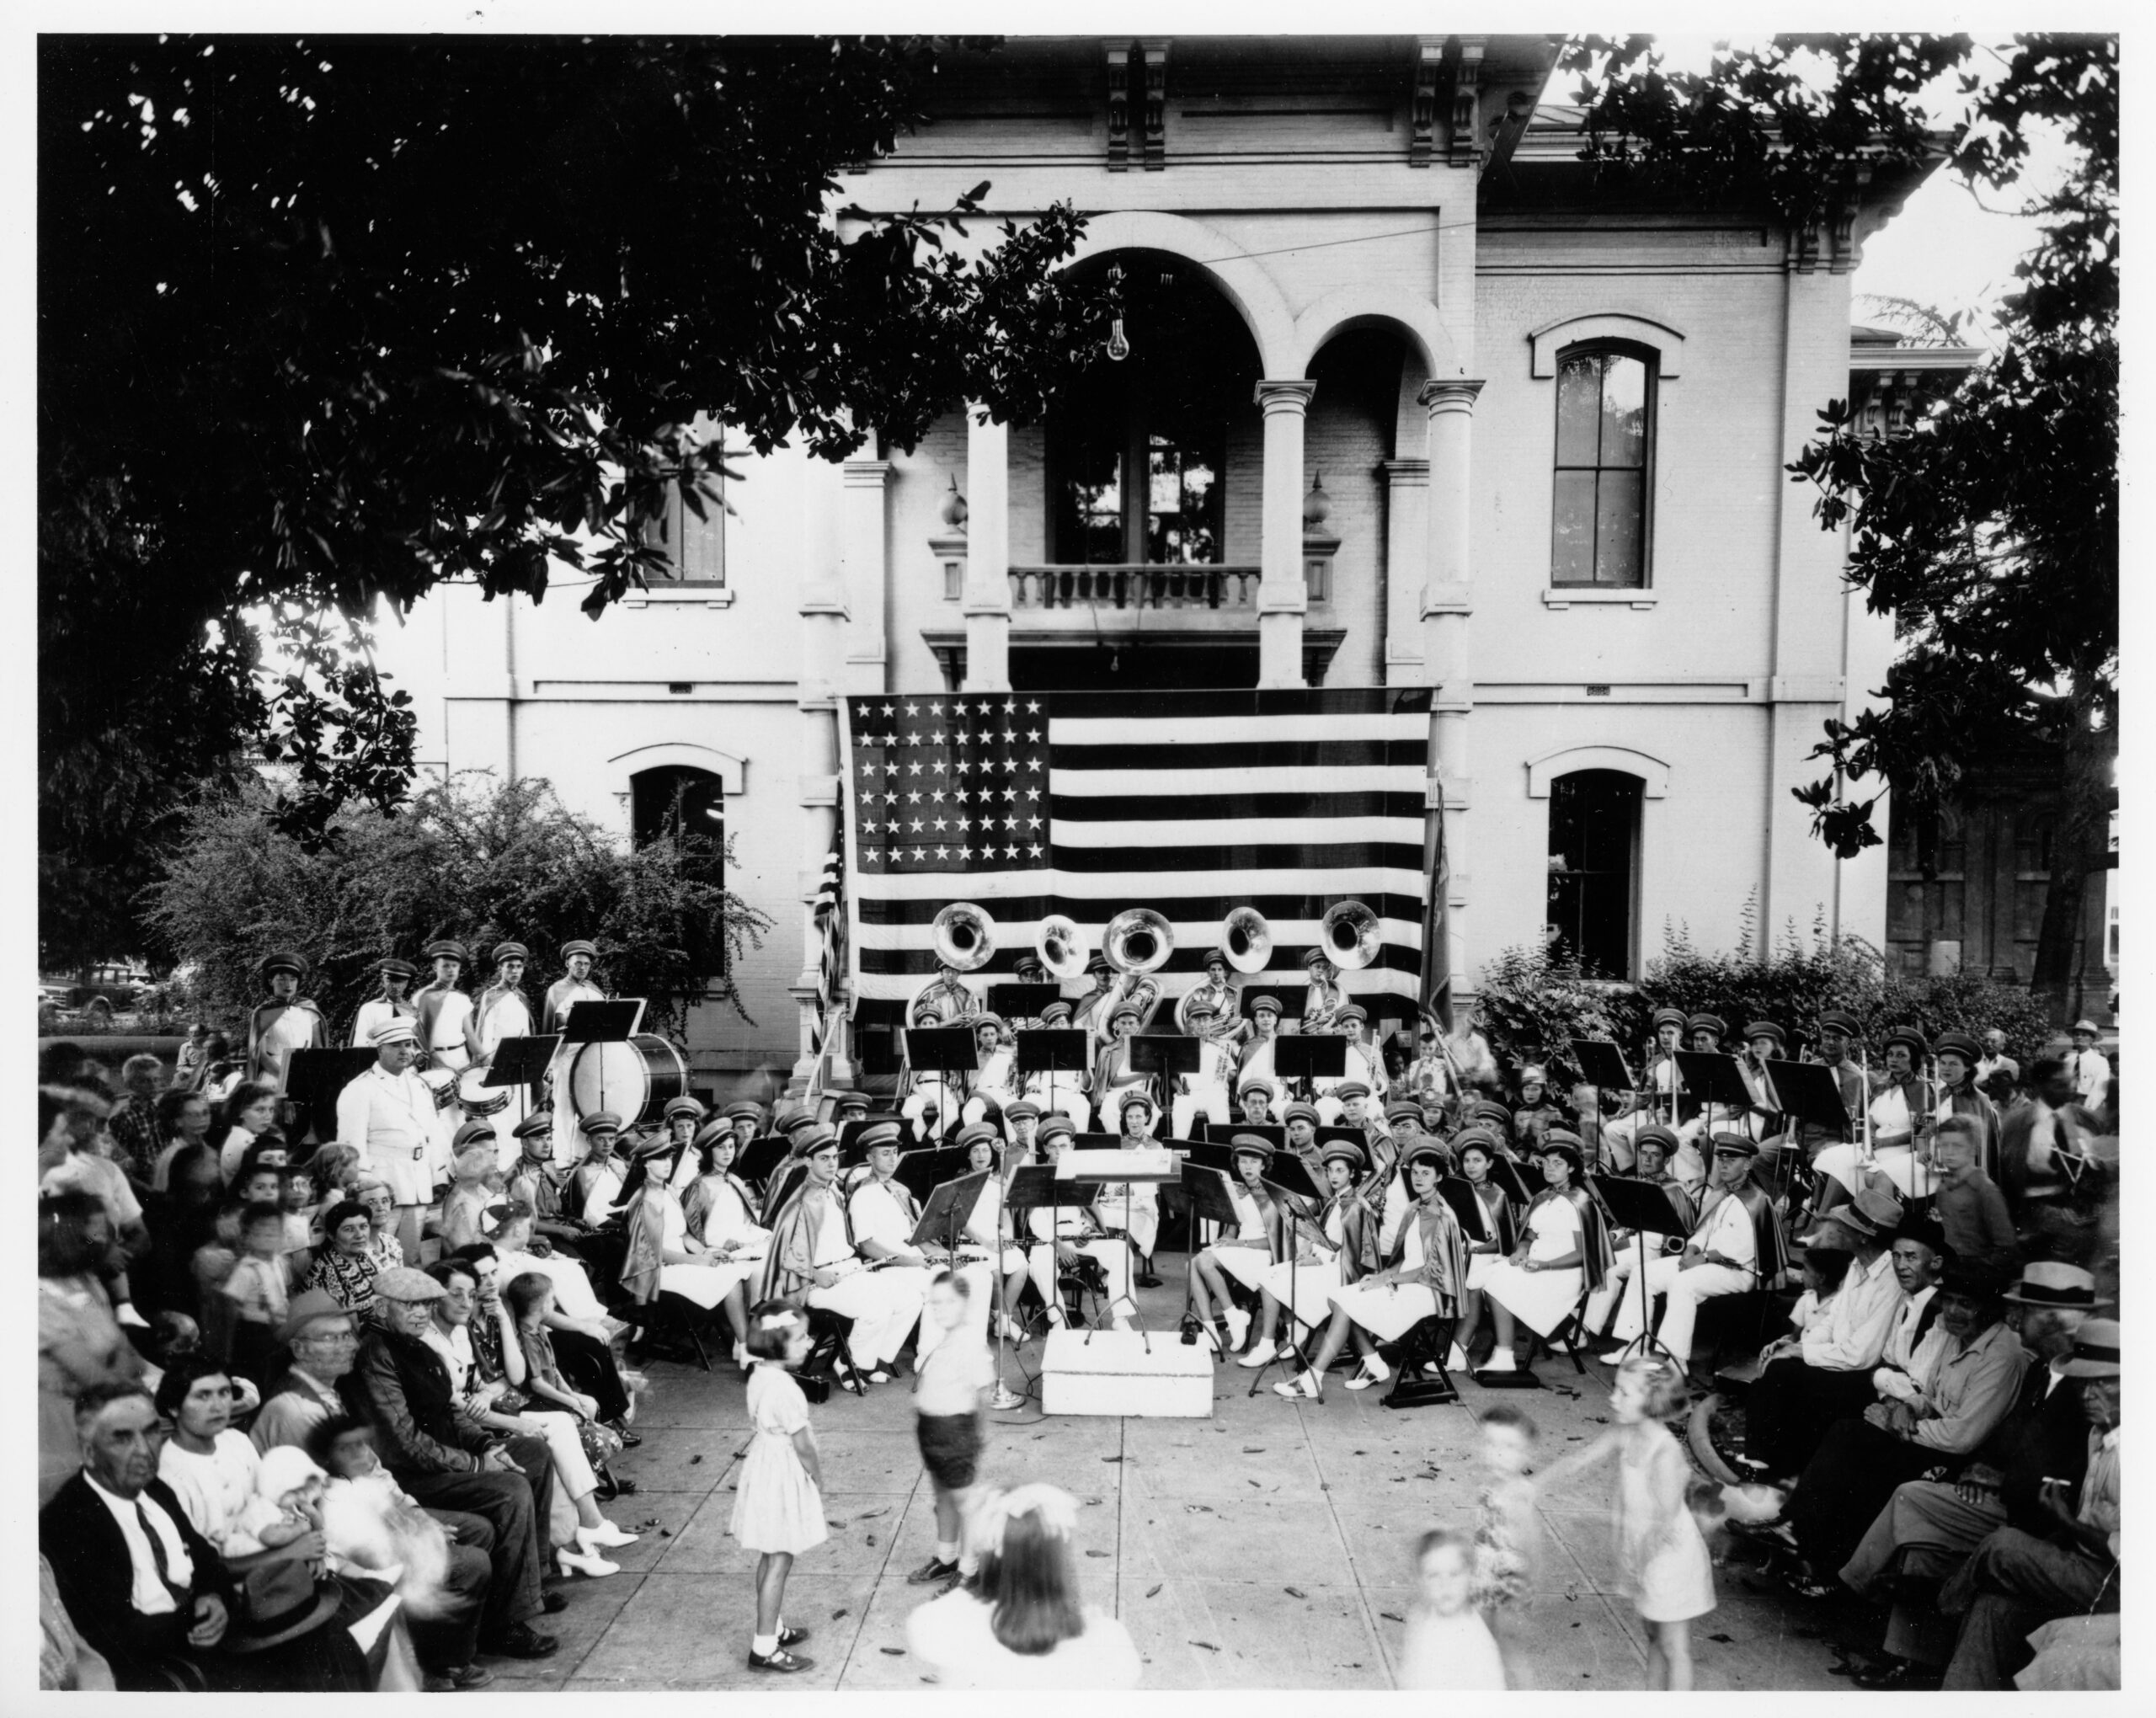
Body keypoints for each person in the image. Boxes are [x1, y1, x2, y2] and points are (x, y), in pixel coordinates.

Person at [1833, 1268, 2111, 1687]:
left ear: (2051, 1318)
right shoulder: (2043, 1372)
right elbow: (2011, 1440)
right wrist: (1990, 1470)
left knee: (1917, 1504)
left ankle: (1868, 1594)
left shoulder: (2087, 1386)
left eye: (2025, 1312)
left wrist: (2004, 1480)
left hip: (2038, 1520)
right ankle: (1903, 1650)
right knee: (1918, 1507)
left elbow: (2074, 1477)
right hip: (2005, 1499)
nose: (2014, 1320)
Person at [40, 1381, 368, 1691]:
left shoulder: (154, 1490)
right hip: (158, 1666)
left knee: (331, 1637)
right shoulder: (69, 1520)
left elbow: (207, 1560)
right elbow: (113, 1634)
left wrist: (212, 1595)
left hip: (205, 1627)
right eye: (123, 1438)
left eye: (151, 1432)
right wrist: (197, 1618)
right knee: (311, 1659)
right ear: (89, 1451)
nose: (144, 1450)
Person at [154, 1357, 422, 1690]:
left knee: (387, 1601)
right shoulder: (171, 1473)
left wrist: (307, 1538)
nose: (218, 1405)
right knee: (339, 1636)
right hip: (247, 1596)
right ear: (174, 1408)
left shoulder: (234, 1441)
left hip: (287, 1568)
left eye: (224, 1393)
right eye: (202, 1396)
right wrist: (290, 1553)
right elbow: (201, 1568)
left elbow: (269, 1507)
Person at [338, 1266, 560, 1660]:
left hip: (445, 1461)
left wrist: (488, 1444)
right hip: (413, 1477)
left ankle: (533, 1582)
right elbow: (404, 1444)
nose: (421, 1313)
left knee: (533, 1453)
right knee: (509, 1490)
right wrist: (477, 1465)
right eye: (409, 1305)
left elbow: (450, 1411)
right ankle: (504, 1625)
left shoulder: (417, 1345)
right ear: (381, 1306)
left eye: (425, 1304)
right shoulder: (377, 1355)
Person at [1781, 1262, 2028, 1587]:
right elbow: (1931, 1394)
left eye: (1965, 1304)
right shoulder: (1959, 1335)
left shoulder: (2002, 1356)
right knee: (1848, 1432)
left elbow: (1961, 1438)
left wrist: (1894, 1427)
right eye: (1949, 1300)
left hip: (1959, 1459)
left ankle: (1831, 1573)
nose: (1952, 1310)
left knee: (1877, 1469)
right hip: (1927, 1437)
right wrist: (1907, 1407)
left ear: (1989, 1308)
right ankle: (1795, 1531)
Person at [1935, 1321, 2120, 1689]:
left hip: (2118, 1586)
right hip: (2085, 1565)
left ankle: (1940, 1604)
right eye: (2083, 1383)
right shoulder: (2098, 1434)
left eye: (2104, 1382)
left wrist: (2065, 1522)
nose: (2089, 1394)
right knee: (1992, 1605)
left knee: (2004, 1543)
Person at [1535, 1356, 1716, 1689]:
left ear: (1651, 1401)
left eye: (1624, 1392)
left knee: (1674, 1645)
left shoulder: (1665, 1454)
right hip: (1645, 1549)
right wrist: (1535, 1484)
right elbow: (1582, 1459)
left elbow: (1663, 1523)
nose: (1612, 1397)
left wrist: (1637, 1565)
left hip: (1669, 1556)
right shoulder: (1626, 1432)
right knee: (1653, 1636)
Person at [307, 1417, 497, 1689]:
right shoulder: (335, 1499)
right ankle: (438, 1663)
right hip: (365, 1579)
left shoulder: (363, 1484)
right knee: (472, 1564)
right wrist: (415, 1552)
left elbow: (395, 1517)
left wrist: (422, 1528)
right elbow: (366, 1555)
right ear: (327, 1458)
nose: (359, 1453)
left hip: (395, 1558)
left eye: (361, 1444)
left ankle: (450, 1652)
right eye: (345, 1449)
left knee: (471, 1543)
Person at [1740, 1187, 1908, 1478]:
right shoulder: (1857, 1264)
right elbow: (1832, 1320)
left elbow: (1861, 1356)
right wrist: (1795, 1344)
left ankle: (1770, 1462)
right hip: (1840, 1360)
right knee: (1778, 1366)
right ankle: (1767, 1458)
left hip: (1862, 1377)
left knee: (1783, 1375)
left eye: (1847, 1228)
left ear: (1864, 1237)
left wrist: (1801, 1351)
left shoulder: (1890, 1281)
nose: (1839, 1231)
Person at [1274, 1142, 1465, 1401]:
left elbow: (1432, 1270)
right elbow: (1404, 1258)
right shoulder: (1414, 1207)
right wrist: (1382, 1277)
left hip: (1428, 1290)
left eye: (1426, 1173)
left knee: (1346, 1302)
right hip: (1407, 1280)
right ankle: (1373, 1361)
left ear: (1439, 1177)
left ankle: (1314, 1377)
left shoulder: (1441, 1214)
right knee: (1337, 1297)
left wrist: (1389, 1280)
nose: (1418, 1179)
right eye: (1415, 1172)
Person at [905, 1484, 1142, 1689]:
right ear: (1059, 1561)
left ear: (989, 1555)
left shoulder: (944, 1623)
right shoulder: (1105, 1639)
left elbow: (921, 1624)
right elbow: (1126, 1674)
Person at [1582, 1132, 1784, 1373]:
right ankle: (1635, 1347)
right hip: (1706, 1262)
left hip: (1738, 1270)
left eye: (1732, 1160)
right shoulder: (1719, 1192)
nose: (1724, 1165)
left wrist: (1703, 1258)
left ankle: (1675, 1361)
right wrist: (1692, 1248)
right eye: (1721, 1159)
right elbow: (1702, 1230)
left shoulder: (1758, 1200)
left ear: (1748, 1164)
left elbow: (1743, 1249)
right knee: (1643, 1273)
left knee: (1684, 1283)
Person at [498, 1270, 640, 1577]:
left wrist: (573, 1396)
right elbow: (535, 1382)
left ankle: (588, 1535)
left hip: (542, 1402)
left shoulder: (538, 1331)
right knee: (570, 1426)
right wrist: (569, 1401)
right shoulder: (526, 1335)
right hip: (525, 1407)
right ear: (541, 1304)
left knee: (583, 1410)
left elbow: (555, 1372)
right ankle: (586, 1537)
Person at [761, 1124, 922, 1382]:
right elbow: (778, 1254)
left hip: (850, 1269)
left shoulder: (833, 1194)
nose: (831, 1164)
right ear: (807, 1161)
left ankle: (869, 1361)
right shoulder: (798, 1203)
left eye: (834, 1158)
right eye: (823, 1159)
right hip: (817, 1283)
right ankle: (851, 1364)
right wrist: (814, 1274)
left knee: (911, 1298)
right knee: (876, 1310)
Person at [731, 1301, 825, 1672]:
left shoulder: (759, 1374)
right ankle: (764, 1647)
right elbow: (803, 1444)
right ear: (777, 1345)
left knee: (769, 1555)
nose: (809, 1342)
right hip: (783, 1473)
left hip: (764, 1467)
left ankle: (775, 1628)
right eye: (801, 1338)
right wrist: (816, 1474)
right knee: (781, 1558)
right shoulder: (787, 1389)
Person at [40, 1192, 146, 1506]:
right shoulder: (38, 1297)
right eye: (98, 1229)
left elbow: (126, 1352)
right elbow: (93, 1376)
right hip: (58, 1433)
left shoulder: (85, 1280)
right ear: (70, 1234)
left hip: (101, 1411)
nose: (108, 1238)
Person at [1480, 1134, 1615, 1374]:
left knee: (1496, 1283)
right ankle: (1506, 1349)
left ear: (1572, 1168)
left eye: (1558, 1163)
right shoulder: (1544, 1196)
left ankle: (1504, 1354)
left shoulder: (1581, 1203)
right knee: (1485, 1275)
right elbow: (1530, 1233)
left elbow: (1583, 1253)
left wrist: (1545, 1265)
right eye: (1546, 1162)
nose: (1549, 1168)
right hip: (1534, 1264)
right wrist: (1521, 1250)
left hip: (1563, 1273)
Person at [1241, 1139, 1376, 1368]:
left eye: (1340, 1171)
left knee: (1276, 1279)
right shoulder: (1336, 1200)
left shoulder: (1355, 1205)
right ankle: (1278, 1337)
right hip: (1324, 1262)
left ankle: (1272, 1340)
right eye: (1330, 1170)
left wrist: (1317, 1260)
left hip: (1340, 1272)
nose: (1333, 1176)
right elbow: (1323, 1237)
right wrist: (1308, 1252)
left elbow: (1352, 1252)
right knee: (1268, 1276)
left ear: (1353, 1174)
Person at [334, 1019, 452, 1264]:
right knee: (375, 1254)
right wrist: (366, 1189)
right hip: (381, 1184)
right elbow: (350, 1146)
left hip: (418, 1183)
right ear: (380, 1050)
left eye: (409, 1045)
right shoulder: (360, 1089)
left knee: (409, 1256)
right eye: (395, 1045)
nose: (405, 1051)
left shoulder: (419, 1084)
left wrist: (438, 1175)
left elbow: (432, 1132)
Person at [906, 1270, 995, 1593]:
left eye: (949, 1302)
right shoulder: (945, 1337)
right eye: (935, 1302)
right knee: (942, 1496)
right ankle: (946, 1557)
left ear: (966, 1304)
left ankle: (970, 1570)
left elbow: (982, 1394)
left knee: (964, 1501)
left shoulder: (971, 1341)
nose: (941, 1309)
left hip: (955, 1431)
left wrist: (974, 1440)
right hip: (932, 1430)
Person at [1021, 1113, 1140, 1337]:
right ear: (1046, 1149)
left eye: (1064, 1146)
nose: (1059, 1152)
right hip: (1049, 1238)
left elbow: (1089, 1212)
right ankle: (1057, 1318)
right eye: (1054, 1147)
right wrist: (1059, 1246)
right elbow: (1036, 1221)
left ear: (1072, 1146)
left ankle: (1121, 1318)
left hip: (1078, 1235)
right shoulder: (1038, 1174)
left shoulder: (1080, 1172)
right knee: (1040, 1265)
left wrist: (1087, 1230)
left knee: (1121, 1251)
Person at [1444, 1128, 1524, 1372]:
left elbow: (1503, 1241)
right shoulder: (1456, 1187)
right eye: (1466, 1160)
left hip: (1488, 1254)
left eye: (1477, 1160)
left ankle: (1459, 1348)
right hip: (1460, 1247)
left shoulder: (1497, 1194)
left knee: (1473, 1283)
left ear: (1489, 1163)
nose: (1470, 1165)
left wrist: (1472, 1251)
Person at [1470, 1406, 1540, 1681]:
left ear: (1526, 1455)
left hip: (1509, 1583)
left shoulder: (1517, 1495)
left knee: (1508, 1646)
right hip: (1486, 1576)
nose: (1498, 1453)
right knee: (1484, 1640)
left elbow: (1532, 1545)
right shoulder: (1490, 1485)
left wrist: (1529, 1584)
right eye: (1491, 1443)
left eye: (1509, 1447)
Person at [1398, 1527, 1507, 1691]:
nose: (1445, 1585)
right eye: (1434, 1575)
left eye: (1454, 1574)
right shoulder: (1421, 1617)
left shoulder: (1476, 1643)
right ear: (1420, 1581)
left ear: (1471, 1576)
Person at [1929, 1115, 2020, 1277]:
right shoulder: (1943, 1188)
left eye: (1957, 1146)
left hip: (1976, 1276)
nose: (1949, 1152)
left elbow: (2006, 1246)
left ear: (1973, 1149)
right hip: (1948, 1271)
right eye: (1944, 1145)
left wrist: (1979, 1272)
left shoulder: (1985, 1190)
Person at [222, 1201, 295, 1385]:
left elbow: (285, 1292)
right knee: (258, 1376)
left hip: (280, 1329)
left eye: (274, 1231)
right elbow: (231, 1306)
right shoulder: (245, 1270)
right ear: (246, 1236)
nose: (268, 1237)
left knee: (278, 1374)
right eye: (261, 1232)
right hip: (254, 1332)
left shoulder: (280, 1263)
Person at [246, 950, 327, 1090]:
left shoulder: (309, 1008)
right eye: (281, 979)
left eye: (292, 979)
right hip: (275, 1075)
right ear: (271, 981)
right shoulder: (263, 1012)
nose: (288, 985)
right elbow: (261, 1055)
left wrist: (311, 1073)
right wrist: (287, 1076)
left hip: (305, 1072)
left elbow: (318, 1048)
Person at [436, 1130, 501, 1253]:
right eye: (489, 1152)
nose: (495, 1158)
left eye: (496, 1151)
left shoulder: (483, 1188)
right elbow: (458, 1247)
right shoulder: (459, 1198)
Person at [350, 955, 420, 1048]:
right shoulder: (370, 1009)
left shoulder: (412, 1012)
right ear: (383, 981)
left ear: (406, 984)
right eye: (390, 980)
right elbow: (360, 1044)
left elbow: (419, 1045)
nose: (395, 986)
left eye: (400, 981)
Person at [2061, 1019, 2109, 1110]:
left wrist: (2087, 1110)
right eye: (2077, 1034)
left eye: (2084, 1035)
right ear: (2073, 1039)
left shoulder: (2100, 1062)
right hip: (2068, 1103)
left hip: (2087, 1103)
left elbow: (2100, 1090)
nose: (2079, 1037)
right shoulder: (2068, 1060)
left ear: (2092, 1040)